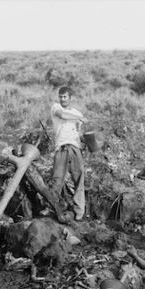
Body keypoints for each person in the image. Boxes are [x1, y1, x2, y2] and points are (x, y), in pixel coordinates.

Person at [50, 86, 88, 221]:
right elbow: (63, 115)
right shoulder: (56, 108)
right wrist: (80, 118)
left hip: (75, 147)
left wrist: (88, 140)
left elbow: (79, 133)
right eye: (61, 96)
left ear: (70, 98)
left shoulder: (77, 112)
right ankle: (52, 207)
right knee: (57, 179)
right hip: (61, 148)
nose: (62, 99)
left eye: (65, 97)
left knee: (79, 178)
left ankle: (79, 211)